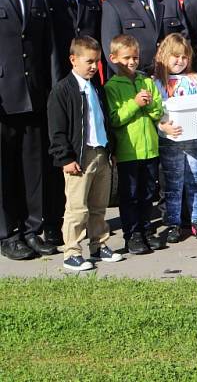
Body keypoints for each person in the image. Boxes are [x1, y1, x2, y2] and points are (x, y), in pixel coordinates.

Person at [32, 0, 104, 247]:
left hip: (87, 82)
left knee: (88, 153)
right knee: (59, 153)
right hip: (56, 81)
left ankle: (87, 227)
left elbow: (96, 31)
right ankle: (51, 224)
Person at [0, 0, 56, 261]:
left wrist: (49, 89)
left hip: (34, 93)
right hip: (4, 96)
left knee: (34, 166)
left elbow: (46, 46)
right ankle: (8, 232)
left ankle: (33, 229)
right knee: (4, 169)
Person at [47, 37, 121, 271]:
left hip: (100, 152)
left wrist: (111, 149)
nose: (93, 66)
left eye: (97, 62)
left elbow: (104, 120)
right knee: (78, 207)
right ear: (73, 60)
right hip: (79, 157)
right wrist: (65, 158)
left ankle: (99, 245)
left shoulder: (95, 87)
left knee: (99, 205)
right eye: (89, 61)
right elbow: (57, 129)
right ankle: (72, 251)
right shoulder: (62, 90)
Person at [104, 34, 166, 254]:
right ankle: (133, 235)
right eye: (127, 58)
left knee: (148, 193)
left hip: (150, 150)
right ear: (113, 58)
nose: (132, 62)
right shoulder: (112, 86)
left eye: (136, 58)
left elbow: (159, 111)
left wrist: (148, 105)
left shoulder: (146, 81)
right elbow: (114, 119)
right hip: (129, 152)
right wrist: (135, 104)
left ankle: (147, 230)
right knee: (130, 195)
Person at [152, 34, 197, 242]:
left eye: (184, 57)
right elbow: (154, 112)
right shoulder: (157, 82)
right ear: (164, 56)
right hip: (171, 141)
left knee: (195, 181)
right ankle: (172, 224)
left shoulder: (196, 80)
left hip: (196, 141)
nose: (180, 61)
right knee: (172, 184)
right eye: (175, 56)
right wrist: (163, 127)